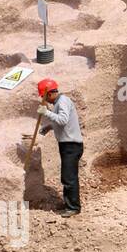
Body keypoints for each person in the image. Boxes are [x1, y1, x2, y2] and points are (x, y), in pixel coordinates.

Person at [37, 79, 83, 216]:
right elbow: (63, 122)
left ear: (50, 94)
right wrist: (49, 127)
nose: (45, 100)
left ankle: (73, 208)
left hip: (71, 145)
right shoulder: (59, 102)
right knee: (67, 176)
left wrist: (46, 112)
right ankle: (69, 203)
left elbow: (63, 120)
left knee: (69, 177)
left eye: (44, 97)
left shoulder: (62, 101)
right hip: (67, 144)